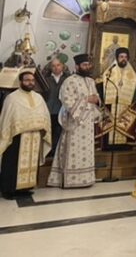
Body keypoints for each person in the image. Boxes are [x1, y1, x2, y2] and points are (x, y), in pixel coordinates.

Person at [47, 54, 102, 188]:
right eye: (84, 65)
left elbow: (96, 97)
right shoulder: (70, 81)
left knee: (87, 152)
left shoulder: (91, 81)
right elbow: (66, 100)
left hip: (88, 123)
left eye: (88, 65)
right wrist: (86, 100)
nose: (87, 67)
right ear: (77, 66)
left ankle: (86, 178)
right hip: (75, 122)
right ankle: (70, 180)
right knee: (72, 150)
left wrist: (97, 100)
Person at [0, 70, 52, 198]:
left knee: (31, 163)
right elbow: (7, 119)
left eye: (32, 80)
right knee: (12, 163)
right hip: (16, 137)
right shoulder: (12, 98)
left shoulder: (38, 97)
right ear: (20, 82)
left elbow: (45, 115)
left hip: (35, 135)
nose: (30, 83)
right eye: (27, 80)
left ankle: (25, 188)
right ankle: (9, 190)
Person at [98, 47, 136, 147]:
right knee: (110, 124)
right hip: (112, 104)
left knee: (124, 124)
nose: (123, 59)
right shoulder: (110, 71)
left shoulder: (132, 74)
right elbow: (102, 83)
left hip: (125, 105)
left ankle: (123, 146)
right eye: (121, 57)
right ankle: (108, 145)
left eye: (125, 57)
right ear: (117, 58)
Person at [44, 58, 68, 155]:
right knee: (49, 131)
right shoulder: (46, 79)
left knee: (59, 131)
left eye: (58, 65)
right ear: (50, 67)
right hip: (49, 110)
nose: (56, 68)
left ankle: (57, 151)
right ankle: (48, 151)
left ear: (62, 66)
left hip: (62, 110)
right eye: (53, 66)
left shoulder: (67, 79)